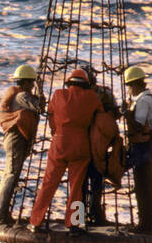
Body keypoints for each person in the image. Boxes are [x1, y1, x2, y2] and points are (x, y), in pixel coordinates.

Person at [27, 68, 103, 233]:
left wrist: (57, 133)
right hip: (81, 144)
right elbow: (100, 116)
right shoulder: (91, 97)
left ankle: (35, 221)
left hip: (60, 142)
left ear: (69, 83)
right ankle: (74, 224)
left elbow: (51, 117)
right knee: (76, 187)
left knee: (48, 183)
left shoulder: (58, 94)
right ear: (86, 84)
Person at [0, 64, 43, 226]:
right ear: (27, 82)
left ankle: (3, 213)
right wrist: (41, 90)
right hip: (16, 139)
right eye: (32, 83)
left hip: (15, 139)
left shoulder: (18, 95)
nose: (33, 86)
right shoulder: (22, 96)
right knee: (11, 175)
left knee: (11, 175)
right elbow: (40, 107)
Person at [122, 65, 152, 234]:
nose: (129, 90)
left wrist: (126, 114)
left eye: (129, 86)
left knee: (142, 187)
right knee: (148, 184)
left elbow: (139, 124)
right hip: (149, 147)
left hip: (141, 148)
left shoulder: (143, 101)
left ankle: (145, 224)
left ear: (134, 85)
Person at [82, 66, 123, 225]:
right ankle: (95, 215)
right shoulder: (104, 94)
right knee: (96, 182)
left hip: (84, 145)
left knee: (80, 184)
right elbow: (115, 116)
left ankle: (78, 218)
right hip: (98, 146)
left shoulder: (77, 95)